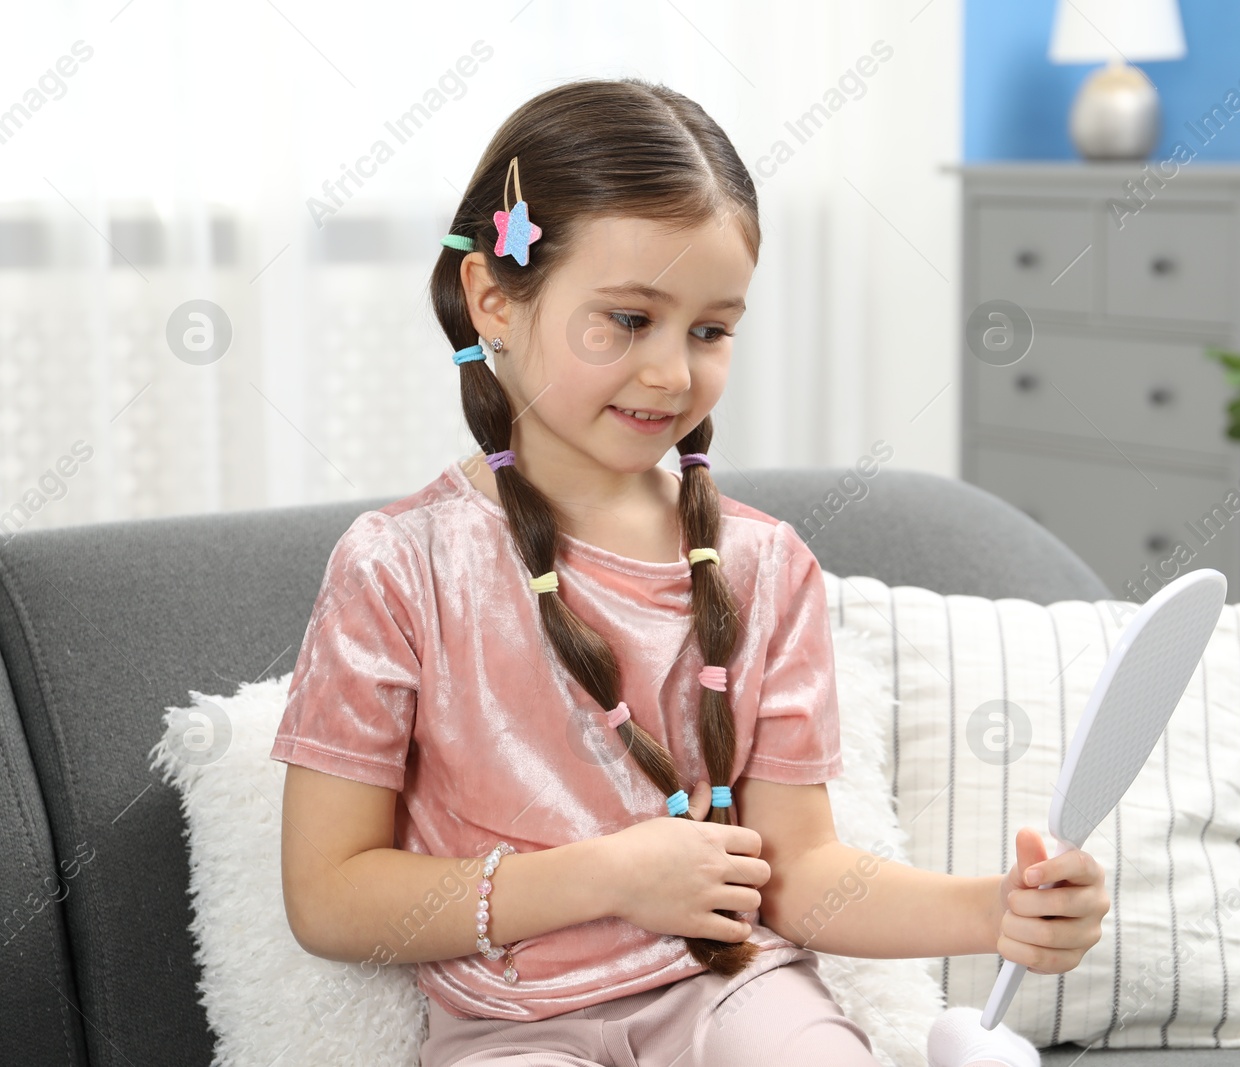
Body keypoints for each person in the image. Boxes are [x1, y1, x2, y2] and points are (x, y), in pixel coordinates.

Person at [270, 76, 1108, 1067]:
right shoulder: (399, 567)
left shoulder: (763, 565)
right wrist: (611, 876)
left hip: (738, 993)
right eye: (627, 319)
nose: (673, 371)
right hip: (510, 1027)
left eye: (710, 330)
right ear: (492, 298)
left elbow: (796, 873)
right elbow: (328, 895)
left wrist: (990, 909)